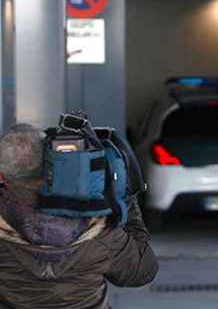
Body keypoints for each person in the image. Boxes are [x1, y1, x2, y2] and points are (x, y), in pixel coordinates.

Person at [0, 124, 158, 309]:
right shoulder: (97, 225)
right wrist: (126, 203)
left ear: (2, 176)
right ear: (55, 162)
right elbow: (142, 272)